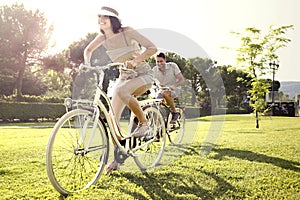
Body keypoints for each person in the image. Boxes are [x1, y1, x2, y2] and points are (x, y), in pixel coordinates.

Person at [84, 6, 157, 173]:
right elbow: (88, 50)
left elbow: (152, 48)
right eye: (100, 17)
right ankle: (119, 157)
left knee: (122, 91)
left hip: (143, 74)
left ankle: (144, 123)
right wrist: (87, 65)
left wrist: (136, 61)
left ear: (113, 20)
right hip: (124, 77)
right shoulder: (102, 38)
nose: (101, 19)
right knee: (112, 120)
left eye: (106, 17)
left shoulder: (127, 31)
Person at [153, 52, 185, 123]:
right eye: (157, 61)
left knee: (166, 93)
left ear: (165, 60)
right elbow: (151, 81)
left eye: (161, 61)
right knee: (155, 104)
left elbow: (182, 80)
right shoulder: (154, 70)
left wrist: (174, 86)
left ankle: (174, 112)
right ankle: (156, 127)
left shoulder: (172, 66)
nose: (159, 63)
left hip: (175, 89)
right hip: (162, 90)